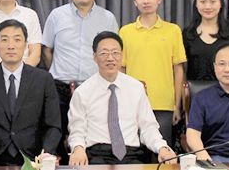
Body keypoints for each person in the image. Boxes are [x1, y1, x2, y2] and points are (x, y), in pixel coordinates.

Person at [41, 0, 119, 159]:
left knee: (91, 137)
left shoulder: (107, 18)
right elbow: (47, 50)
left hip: (93, 88)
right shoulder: (56, 15)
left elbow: (113, 53)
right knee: (56, 136)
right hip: (59, 88)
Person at [68, 32, 176, 165]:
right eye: (104, 53)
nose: (110, 58)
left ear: (122, 55)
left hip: (132, 155)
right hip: (97, 155)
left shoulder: (136, 88)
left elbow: (148, 127)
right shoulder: (83, 92)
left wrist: (162, 147)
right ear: (94, 57)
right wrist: (78, 148)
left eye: (115, 53)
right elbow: (77, 130)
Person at [0, 20, 61, 166]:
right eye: (4, 40)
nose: (11, 46)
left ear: (26, 45)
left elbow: (53, 125)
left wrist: (45, 155)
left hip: (33, 160)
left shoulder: (43, 79)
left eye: (17, 39)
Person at [119, 0, 185, 145]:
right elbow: (122, 70)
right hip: (133, 104)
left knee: (161, 152)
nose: (146, 1)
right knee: (135, 153)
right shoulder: (125, 32)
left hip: (164, 104)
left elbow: (178, 70)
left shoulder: (173, 30)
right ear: (135, 1)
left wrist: (177, 105)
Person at [182, 0, 229, 82]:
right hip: (197, 90)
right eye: (203, 2)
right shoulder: (187, 34)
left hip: (227, 89)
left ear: (221, 3)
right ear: (196, 4)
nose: (208, 7)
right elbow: (181, 69)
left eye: (212, 1)